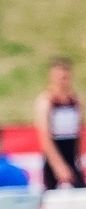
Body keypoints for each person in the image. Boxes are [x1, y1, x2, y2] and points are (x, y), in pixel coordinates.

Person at [34, 58, 83, 190]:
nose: (63, 81)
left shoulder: (75, 101)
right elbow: (45, 138)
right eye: (59, 77)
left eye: (65, 77)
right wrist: (58, 166)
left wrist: (77, 160)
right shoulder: (46, 102)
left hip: (71, 156)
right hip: (54, 158)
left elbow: (77, 134)